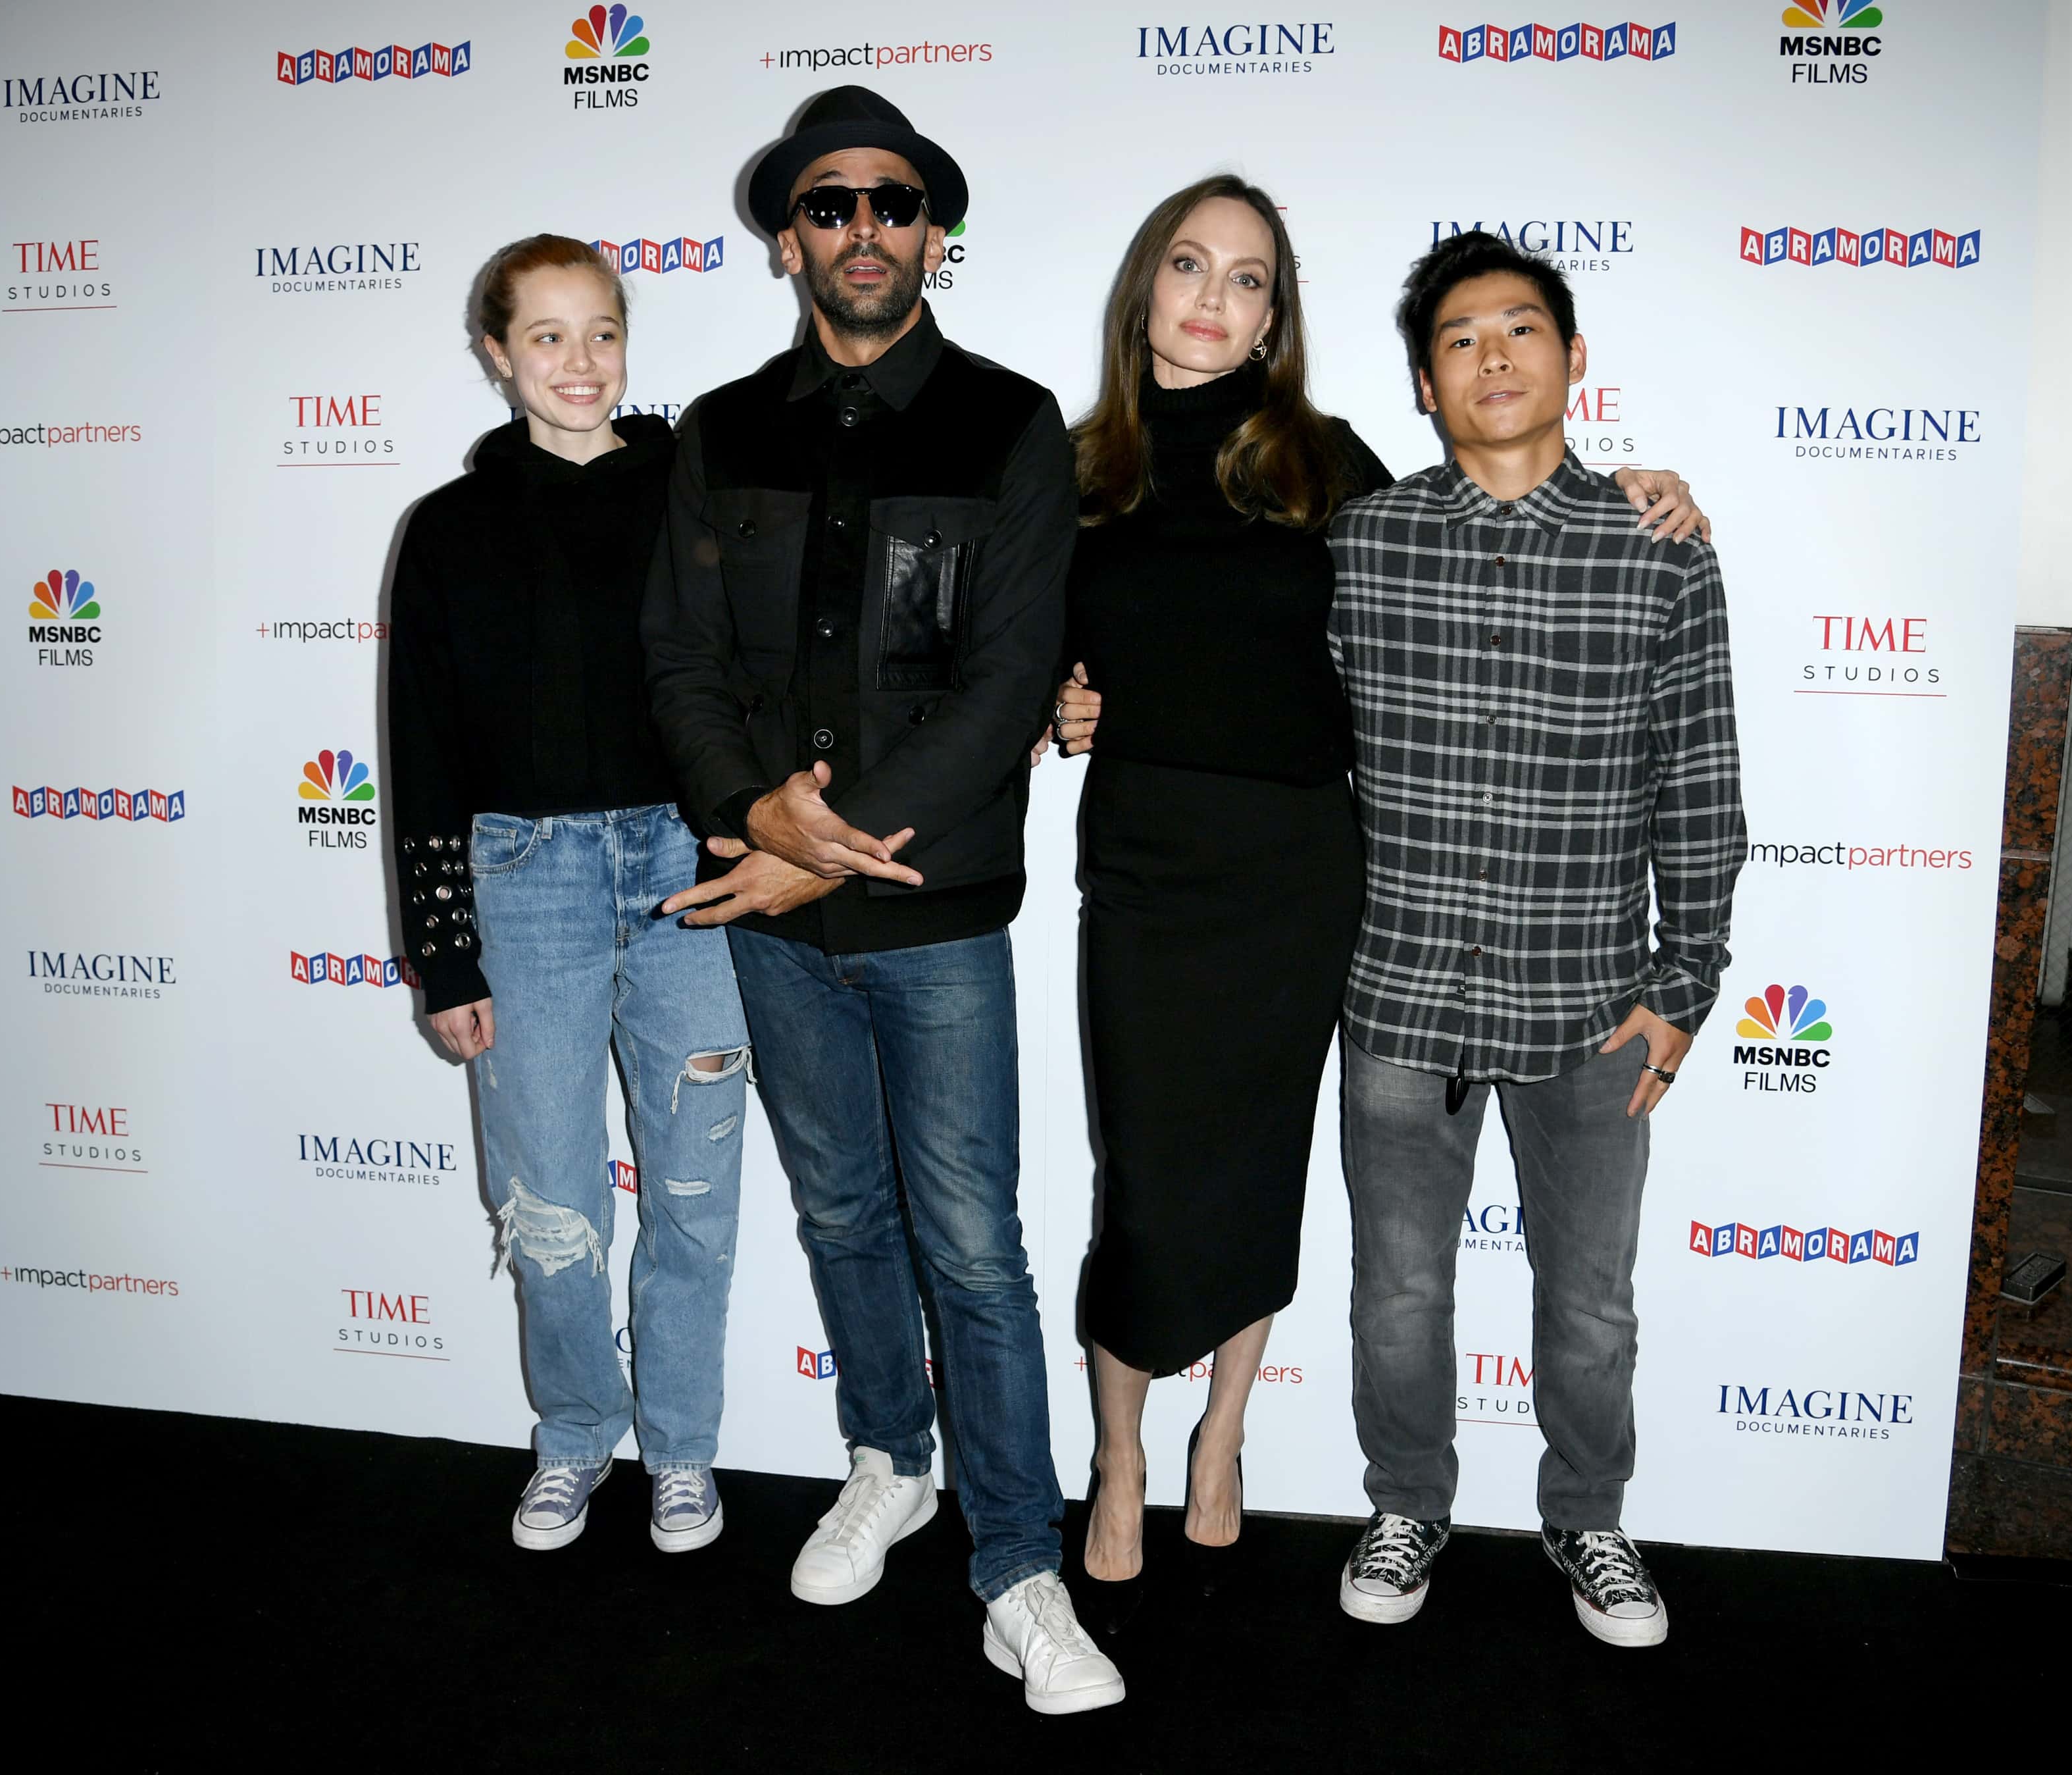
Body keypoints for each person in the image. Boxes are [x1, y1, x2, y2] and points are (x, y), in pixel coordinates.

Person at [1053, 182, 1707, 1620]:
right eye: (1188, 266)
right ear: (1145, 287)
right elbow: (1012, 640)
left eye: (1250, 279)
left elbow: (1668, 740)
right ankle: (1132, 1457)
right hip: (1179, 878)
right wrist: (1058, 693)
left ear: (1279, 317)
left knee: (1294, 1181)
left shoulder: (1318, 464)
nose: (1214, 298)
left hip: (1312, 883)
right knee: (1163, 1184)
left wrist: (1651, 489)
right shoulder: (1076, 469)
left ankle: (1239, 1437)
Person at [640, 87, 1124, 1715]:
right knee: (842, 1215)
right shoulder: (716, 430)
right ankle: (885, 1457)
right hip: (774, 917)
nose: (867, 229)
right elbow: (682, 663)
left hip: (931, 911)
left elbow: (1000, 693)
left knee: (975, 1245)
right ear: (793, 235)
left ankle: (1016, 1564)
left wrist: (818, 842)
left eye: (896, 202)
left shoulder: (1010, 422)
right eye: (831, 204)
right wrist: (747, 818)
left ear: (935, 231)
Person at [1324, 229, 1744, 1647]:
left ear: (1572, 360)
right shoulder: (1365, 540)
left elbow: (1700, 778)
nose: (1492, 355)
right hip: (1399, 996)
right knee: (1397, 1293)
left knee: (1591, 1305)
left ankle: (1589, 1514)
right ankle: (1406, 1498)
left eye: (1520, 329)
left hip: (1590, 1006)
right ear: (1425, 385)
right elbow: (1254, 713)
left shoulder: (1660, 546)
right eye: (1459, 338)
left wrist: (1688, 983)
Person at [387, 234, 752, 1558]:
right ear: (498, 352)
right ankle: (576, 1432)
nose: (580, 362)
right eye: (547, 336)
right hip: (523, 881)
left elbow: (748, 689)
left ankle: (686, 1446)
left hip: (687, 873)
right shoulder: (448, 528)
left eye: (601, 331)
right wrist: (445, 956)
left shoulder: (693, 504)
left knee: (697, 1189)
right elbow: (421, 744)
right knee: (551, 1199)